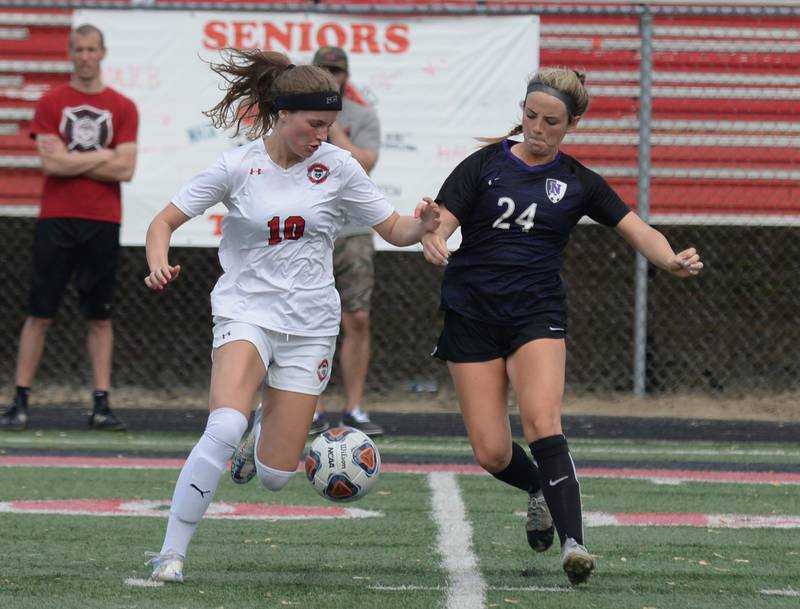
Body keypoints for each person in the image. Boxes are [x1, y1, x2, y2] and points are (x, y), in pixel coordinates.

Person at [142, 49, 439, 583]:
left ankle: (261, 435)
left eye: (330, 125)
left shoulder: (339, 166)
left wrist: (427, 224)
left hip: (311, 325)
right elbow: (162, 222)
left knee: (278, 476)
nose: (322, 136)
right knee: (224, 422)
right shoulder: (238, 166)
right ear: (282, 113)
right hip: (246, 310)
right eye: (315, 124)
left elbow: (395, 229)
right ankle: (170, 552)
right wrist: (159, 261)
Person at [420, 67, 703, 585]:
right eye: (530, 116)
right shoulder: (482, 167)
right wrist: (432, 236)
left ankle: (576, 543)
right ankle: (536, 489)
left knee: (542, 422)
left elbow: (638, 228)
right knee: (491, 451)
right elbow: (441, 222)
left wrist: (670, 261)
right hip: (471, 314)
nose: (537, 127)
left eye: (550, 121)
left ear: (570, 124)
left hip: (536, 314)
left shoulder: (577, 182)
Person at [0, 24, 138, 432]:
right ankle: (20, 400)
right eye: (78, 49)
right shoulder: (51, 102)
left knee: (99, 316)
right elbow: (52, 164)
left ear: (103, 52)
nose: (84, 56)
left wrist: (74, 159)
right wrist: (104, 156)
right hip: (56, 220)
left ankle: (100, 403)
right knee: (39, 312)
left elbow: (126, 168)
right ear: (69, 53)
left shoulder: (123, 106)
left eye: (91, 49)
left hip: (102, 220)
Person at [308, 46, 383, 436]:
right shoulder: (297, 119)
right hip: (309, 230)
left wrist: (331, 125)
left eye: (336, 72)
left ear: (345, 77)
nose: (330, 77)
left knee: (357, 317)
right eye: (323, 71)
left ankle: (354, 407)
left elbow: (363, 163)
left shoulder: (362, 117)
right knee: (307, 319)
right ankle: (311, 408)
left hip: (352, 229)